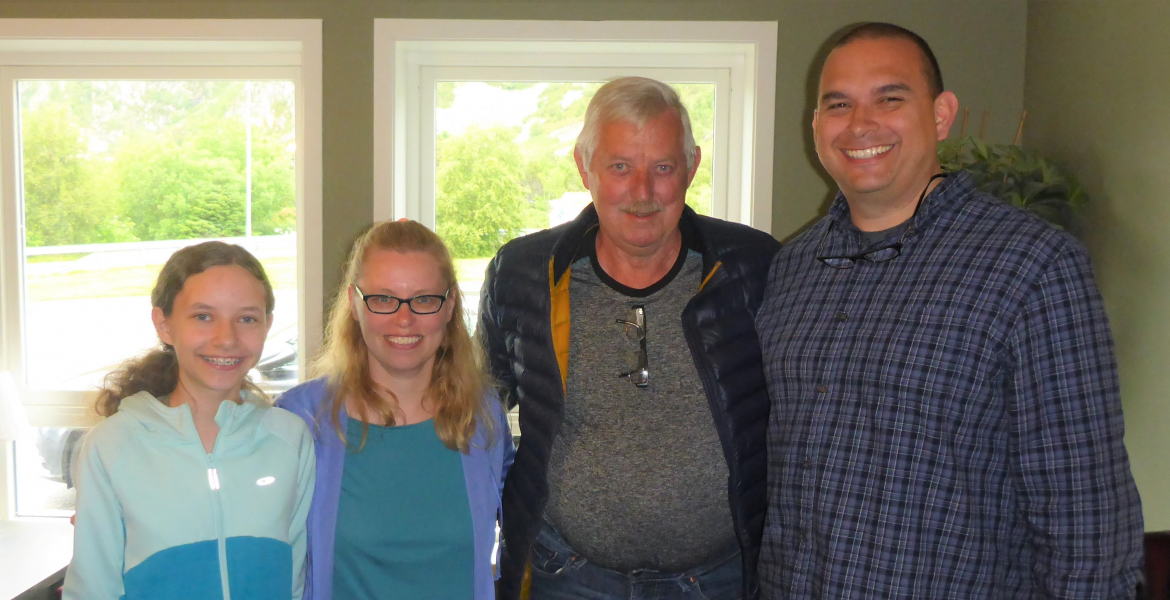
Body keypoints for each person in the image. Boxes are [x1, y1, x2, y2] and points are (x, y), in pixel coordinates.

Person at [755, 22, 1144, 599]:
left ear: (940, 114)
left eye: (890, 98)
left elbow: (1083, 511)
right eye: (838, 105)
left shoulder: (1033, 265)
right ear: (815, 125)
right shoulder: (792, 268)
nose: (860, 124)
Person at [480, 76, 781, 600]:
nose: (642, 192)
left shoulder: (753, 268)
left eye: (663, 167)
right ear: (584, 166)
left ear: (691, 166)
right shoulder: (524, 272)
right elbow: (475, 407)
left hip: (719, 579)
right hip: (563, 575)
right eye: (621, 167)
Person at [64, 241, 316, 600]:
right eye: (203, 316)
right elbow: (91, 587)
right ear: (164, 325)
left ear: (267, 326)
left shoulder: (289, 438)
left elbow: (293, 575)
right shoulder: (112, 445)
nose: (226, 339)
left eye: (247, 318)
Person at [277, 219, 513, 600]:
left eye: (424, 299)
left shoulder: (482, 417)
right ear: (355, 303)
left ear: (450, 305)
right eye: (384, 299)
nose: (404, 319)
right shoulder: (301, 419)